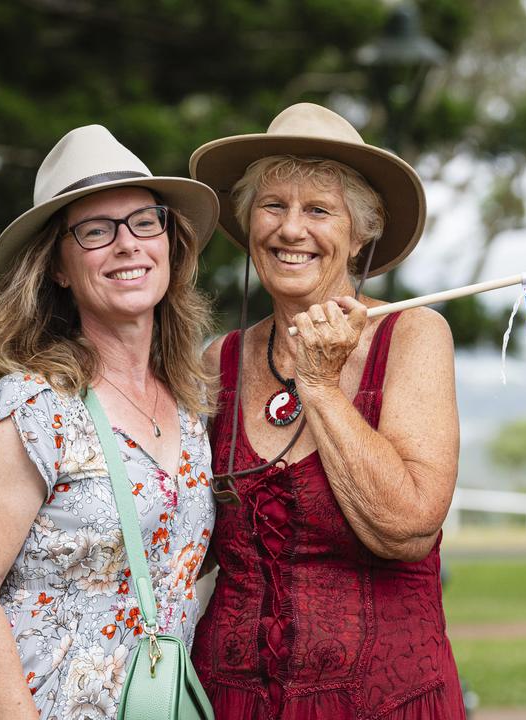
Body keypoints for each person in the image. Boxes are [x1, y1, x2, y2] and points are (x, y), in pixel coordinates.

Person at [0, 125, 220, 719]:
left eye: (145, 221)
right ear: (58, 268)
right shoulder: (32, 407)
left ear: (170, 242)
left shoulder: (192, 407)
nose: (127, 245)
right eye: (95, 231)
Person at [188, 103, 465, 718]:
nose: (291, 230)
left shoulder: (414, 336)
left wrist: (318, 382)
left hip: (381, 701)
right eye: (273, 206)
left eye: (318, 210)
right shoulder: (218, 361)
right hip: (230, 698)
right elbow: (188, 540)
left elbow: (408, 527)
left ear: (361, 231)